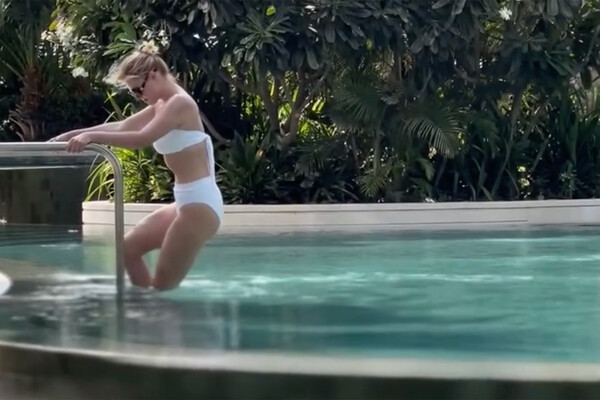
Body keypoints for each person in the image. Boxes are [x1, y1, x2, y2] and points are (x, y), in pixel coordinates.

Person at [49, 45, 223, 291]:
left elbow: (140, 138)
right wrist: (69, 136)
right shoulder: (163, 105)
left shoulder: (180, 104)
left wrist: (90, 138)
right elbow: (123, 126)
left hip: (200, 206)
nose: (139, 96)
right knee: (127, 250)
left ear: (154, 74)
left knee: (162, 287)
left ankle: (155, 310)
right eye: (133, 92)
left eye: (139, 89)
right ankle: (143, 309)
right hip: (185, 202)